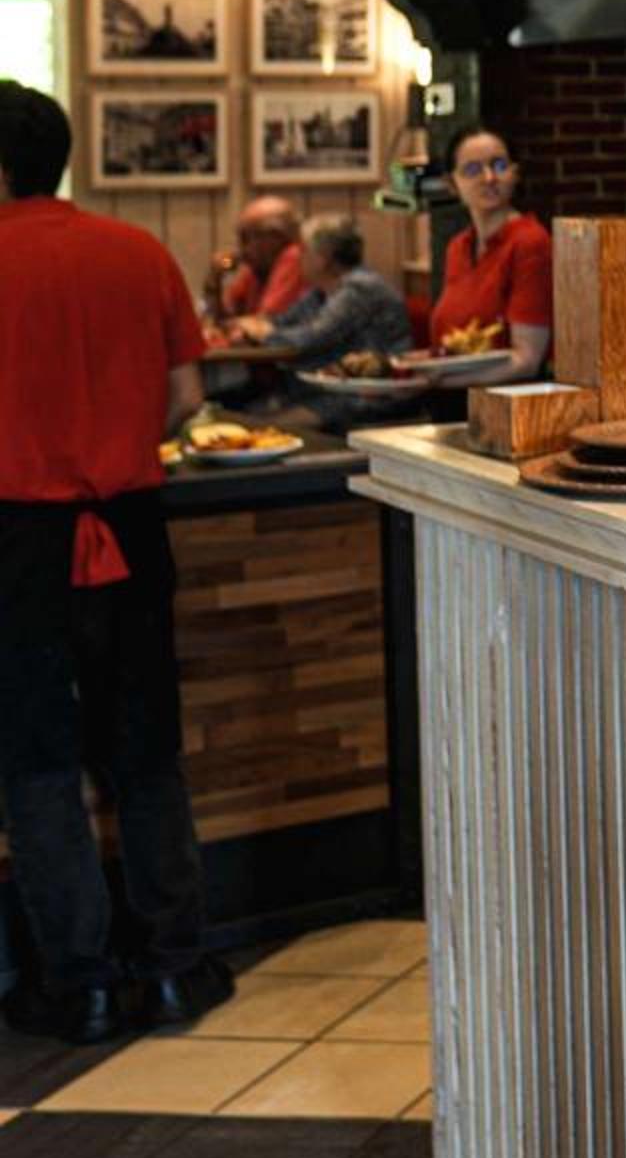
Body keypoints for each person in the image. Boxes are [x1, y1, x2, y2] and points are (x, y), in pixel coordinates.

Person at [0, 81, 230, 1041]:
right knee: (145, 748)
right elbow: (187, 397)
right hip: (131, 530)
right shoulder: (140, 251)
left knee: (39, 763)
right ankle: (175, 966)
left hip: (18, 543)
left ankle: (82, 982)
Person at [427, 124, 551, 384]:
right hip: (458, 397)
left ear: (515, 173)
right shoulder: (457, 247)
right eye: (472, 169)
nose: (489, 177)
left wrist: (437, 383)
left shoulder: (530, 242)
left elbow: (527, 360)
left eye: (499, 165)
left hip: (510, 399)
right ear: (452, 183)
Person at [238, 213, 413, 371]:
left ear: (323, 258)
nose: (298, 258)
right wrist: (257, 328)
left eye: (304, 252)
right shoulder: (321, 290)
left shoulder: (360, 289)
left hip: (363, 390)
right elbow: (282, 321)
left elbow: (310, 340)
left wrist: (264, 334)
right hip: (325, 383)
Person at [205, 194, 304, 323]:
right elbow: (222, 319)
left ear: (275, 237)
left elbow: (263, 324)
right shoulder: (257, 269)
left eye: (246, 238)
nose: (242, 249)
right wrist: (214, 280)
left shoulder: (294, 257)